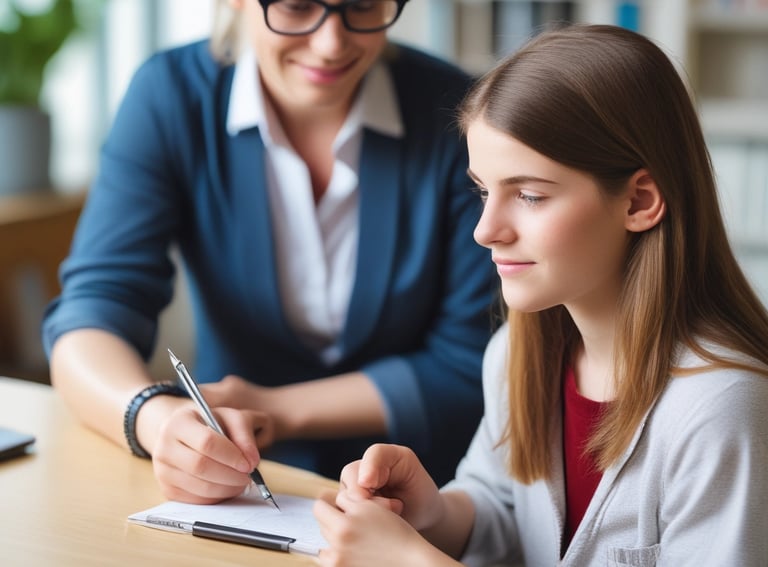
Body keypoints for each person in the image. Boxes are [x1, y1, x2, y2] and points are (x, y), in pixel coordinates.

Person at [313, 24, 768, 567]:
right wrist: (429, 516)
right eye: (484, 190)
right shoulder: (517, 355)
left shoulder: (722, 410)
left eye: (529, 195)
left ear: (640, 202)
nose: (485, 230)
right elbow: (503, 509)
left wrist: (415, 562)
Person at [42, 0, 497, 504]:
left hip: (422, 490)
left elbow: (472, 362)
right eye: (299, 6)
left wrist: (274, 410)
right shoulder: (171, 95)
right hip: (233, 487)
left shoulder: (457, 111)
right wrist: (154, 419)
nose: (331, 44)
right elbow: (91, 315)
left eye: (364, 6)